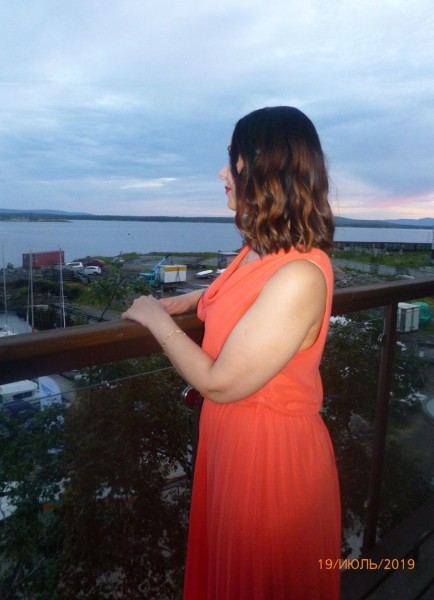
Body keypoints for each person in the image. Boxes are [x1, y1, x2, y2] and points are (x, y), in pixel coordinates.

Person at [122, 106, 341, 599]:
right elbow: (236, 300)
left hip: (268, 460)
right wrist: (185, 301)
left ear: (266, 168)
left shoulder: (301, 275)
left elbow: (220, 381)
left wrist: (154, 318)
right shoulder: (260, 251)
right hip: (233, 444)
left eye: (232, 159)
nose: (223, 173)